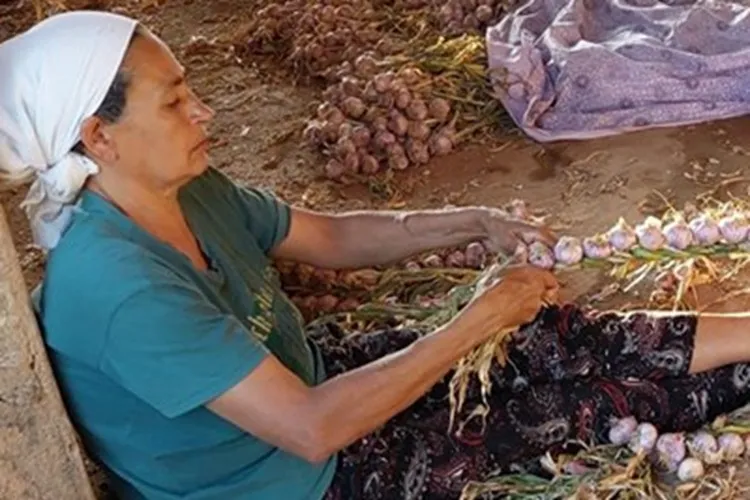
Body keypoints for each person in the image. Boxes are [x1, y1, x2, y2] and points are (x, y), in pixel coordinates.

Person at [2, 10, 750, 500]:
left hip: (316, 380)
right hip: (303, 478)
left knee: (544, 337)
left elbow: (328, 237)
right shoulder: (118, 289)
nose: (201, 111)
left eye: (189, 89)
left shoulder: (183, 189)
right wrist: (475, 320)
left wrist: (472, 221)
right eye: (171, 102)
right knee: (572, 409)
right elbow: (310, 429)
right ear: (97, 139)